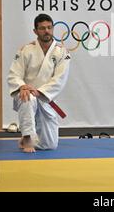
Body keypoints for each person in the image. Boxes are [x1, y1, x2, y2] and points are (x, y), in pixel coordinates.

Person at [8, 13, 70, 153]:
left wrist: (40, 92)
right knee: (28, 98)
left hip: (45, 99)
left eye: (49, 27)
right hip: (25, 95)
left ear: (53, 29)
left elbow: (60, 79)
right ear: (35, 31)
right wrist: (23, 86)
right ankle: (28, 137)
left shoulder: (61, 52)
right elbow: (14, 74)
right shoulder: (26, 50)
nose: (46, 31)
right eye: (42, 28)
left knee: (50, 145)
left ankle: (27, 139)